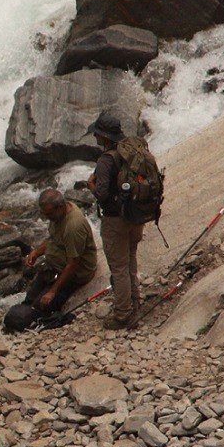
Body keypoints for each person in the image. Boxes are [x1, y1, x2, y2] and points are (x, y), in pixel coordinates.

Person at [86, 113, 148, 329]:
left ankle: (123, 314)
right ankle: (135, 301)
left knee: (119, 267)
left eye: (97, 133)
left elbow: (102, 194)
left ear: (104, 136)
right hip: (136, 215)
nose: (94, 136)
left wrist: (91, 186)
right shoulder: (133, 150)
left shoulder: (106, 160)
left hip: (115, 220)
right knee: (130, 259)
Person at [22, 188, 99, 315]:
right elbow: (53, 238)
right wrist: (36, 253)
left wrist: (52, 291)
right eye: (44, 214)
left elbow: (73, 263)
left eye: (49, 214)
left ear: (60, 207)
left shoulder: (73, 227)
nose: (47, 218)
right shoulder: (59, 215)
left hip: (77, 274)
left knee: (39, 307)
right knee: (29, 300)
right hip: (56, 265)